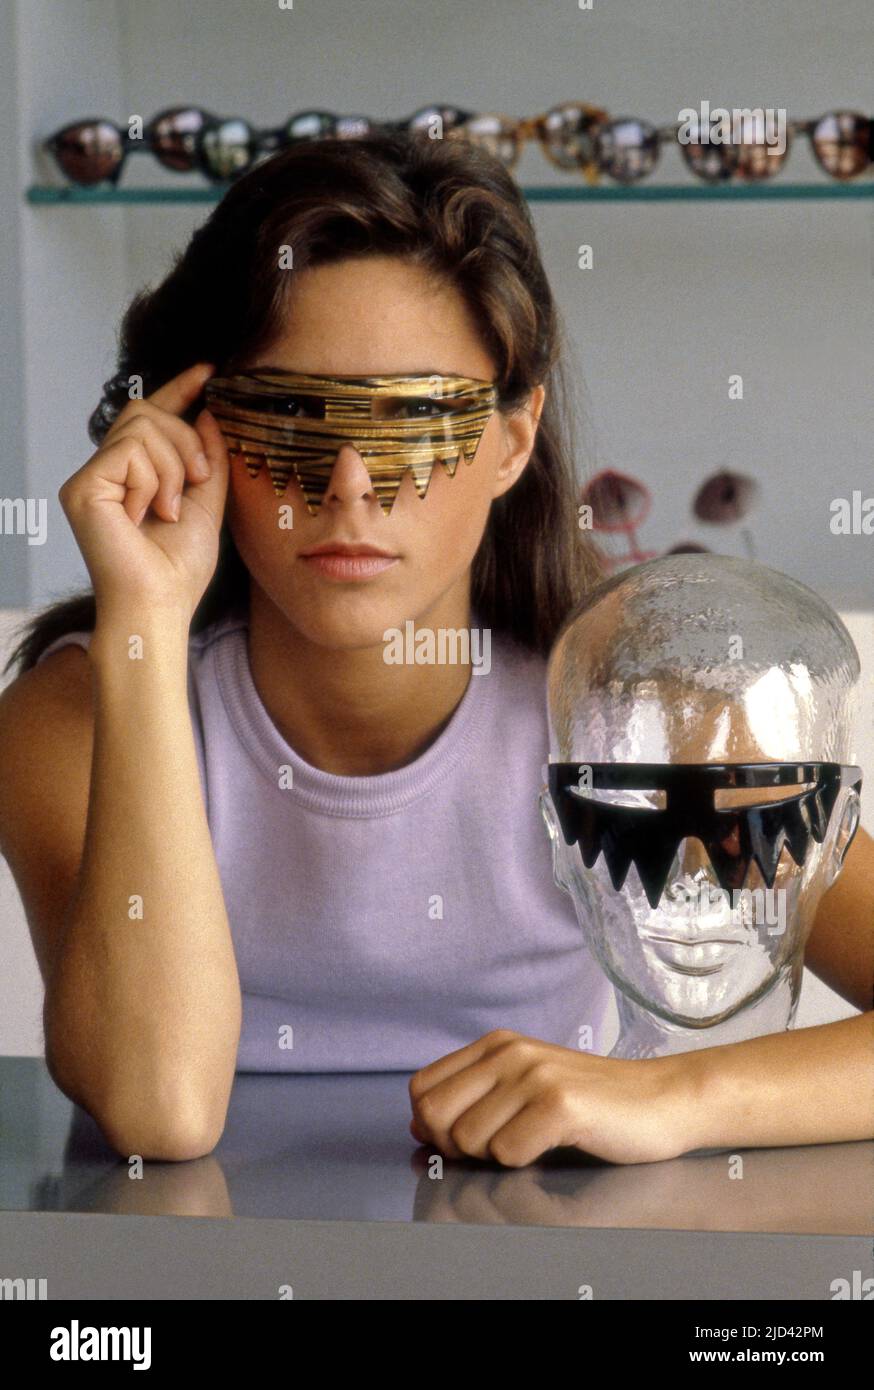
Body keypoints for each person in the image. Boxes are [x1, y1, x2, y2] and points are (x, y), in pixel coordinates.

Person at [0, 134, 871, 1168]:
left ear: (510, 440)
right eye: (290, 421)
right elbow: (159, 1112)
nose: (350, 488)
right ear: (193, 431)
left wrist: (665, 1098)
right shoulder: (72, 722)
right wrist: (140, 621)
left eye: (415, 422)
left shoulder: (644, 717)